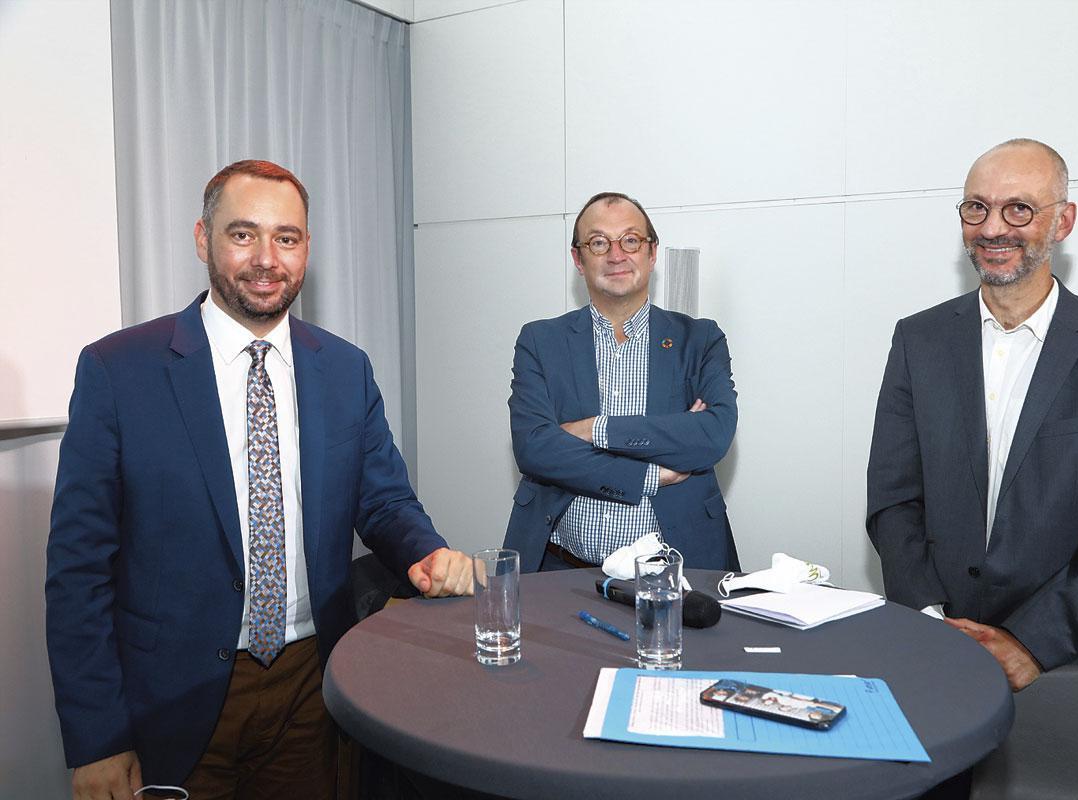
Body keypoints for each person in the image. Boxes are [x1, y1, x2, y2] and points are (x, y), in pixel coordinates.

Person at [45, 160, 473, 800]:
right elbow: (79, 567)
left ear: (307, 248)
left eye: (288, 238)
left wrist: (425, 551)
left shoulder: (345, 369)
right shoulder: (118, 369)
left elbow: (382, 499)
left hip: (312, 686)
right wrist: (97, 737)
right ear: (202, 239)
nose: (267, 259)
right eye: (243, 235)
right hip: (172, 702)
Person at [867, 139, 1078, 694]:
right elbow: (893, 500)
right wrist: (934, 620)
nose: (993, 229)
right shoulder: (918, 339)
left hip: (1067, 662)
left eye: (1019, 209)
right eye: (976, 208)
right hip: (934, 650)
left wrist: (1030, 643)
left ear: (1063, 222)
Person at [504, 191, 739, 572]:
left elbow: (712, 435)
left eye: (631, 240)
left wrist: (594, 430)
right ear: (578, 259)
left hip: (673, 571)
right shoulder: (540, 342)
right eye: (598, 243)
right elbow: (534, 448)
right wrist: (650, 474)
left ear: (652, 252)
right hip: (558, 567)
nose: (616, 255)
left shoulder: (700, 340)